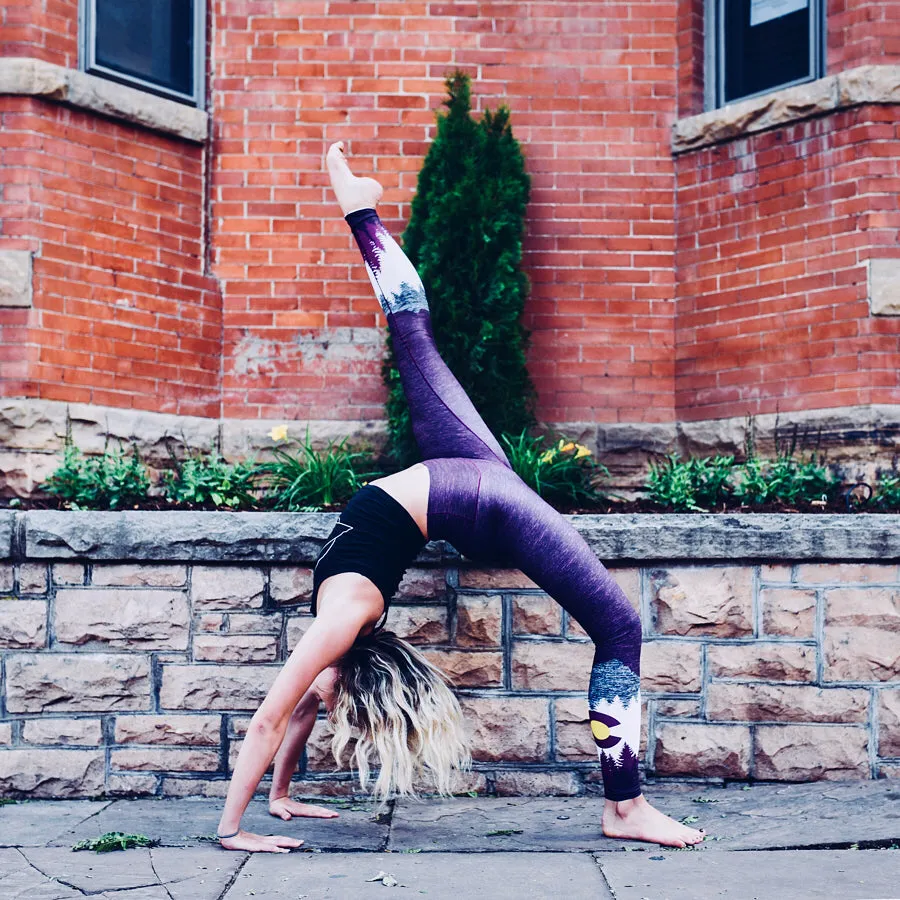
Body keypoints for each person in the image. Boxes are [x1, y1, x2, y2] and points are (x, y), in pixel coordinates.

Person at [214, 142, 706, 853]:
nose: (317, 704)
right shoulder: (342, 617)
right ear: (352, 671)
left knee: (414, 332)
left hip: (465, 481)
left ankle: (360, 211)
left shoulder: (340, 629)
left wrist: (267, 809)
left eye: (325, 702)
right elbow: (281, 717)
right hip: (472, 496)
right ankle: (624, 806)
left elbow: (277, 720)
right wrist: (244, 823)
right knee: (619, 628)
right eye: (332, 700)